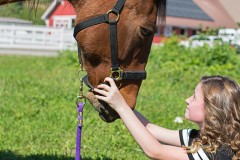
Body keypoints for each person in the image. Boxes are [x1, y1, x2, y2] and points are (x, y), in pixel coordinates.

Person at [93, 75, 240, 160]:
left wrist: (120, 106)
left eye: (194, 97)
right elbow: (150, 129)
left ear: (211, 110)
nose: (187, 100)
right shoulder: (199, 137)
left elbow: (156, 151)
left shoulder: (216, 154)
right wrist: (121, 104)